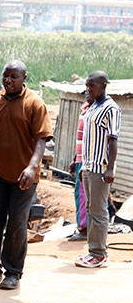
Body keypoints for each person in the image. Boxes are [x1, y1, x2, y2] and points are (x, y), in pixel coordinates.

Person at [0, 59, 53, 290]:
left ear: (24, 78)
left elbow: (41, 139)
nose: (8, 80)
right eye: (5, 76)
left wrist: (32, 167)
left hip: (24, 177)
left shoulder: (35, 104)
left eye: (14, 76)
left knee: (17, 224)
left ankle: (13, 272)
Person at [75, 71, 120, 269]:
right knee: (91, 208)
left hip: (100, 168)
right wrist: (79, 162)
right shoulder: (92, 107)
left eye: (92, 85)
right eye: (87, 85)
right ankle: (93, 251)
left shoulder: (111, 108)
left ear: (103, 85)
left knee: (99, 210)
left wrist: (110, 168)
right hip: (88, 165)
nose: (88, 89)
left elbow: (113, 140)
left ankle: (99, 254)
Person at [67, 93, 93, 242]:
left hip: (87, 161)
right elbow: (81, 139)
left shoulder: (96, 111)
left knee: (84, 195)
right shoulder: (85, 109)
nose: (88, 93)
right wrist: (74, 159)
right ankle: (82, 226)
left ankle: (84, 229)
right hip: (80, 159)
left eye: (91, 89)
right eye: (86, 90)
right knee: (79, 193)